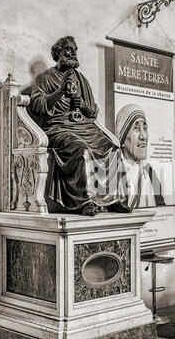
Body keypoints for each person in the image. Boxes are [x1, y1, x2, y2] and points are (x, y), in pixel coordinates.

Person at [29, 36, 130, 215]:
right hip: (58, 127)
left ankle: (114, 199)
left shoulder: (81, 79)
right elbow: (37, 106)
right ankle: (84, 202)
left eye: (75, 50)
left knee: (113, 147)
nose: (73, 53)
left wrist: (82, 103)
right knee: (81, 149)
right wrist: (60, 92)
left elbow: (92, 112)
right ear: (58, 53)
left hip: (84, 127)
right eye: (68, 49)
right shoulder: (44, 78)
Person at [116, 104, 166, 208]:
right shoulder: (112, 172)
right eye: (136, 128)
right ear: (122, 138)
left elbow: (162, 211)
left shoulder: (150, 172)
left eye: (145, 128)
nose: (143, 136)